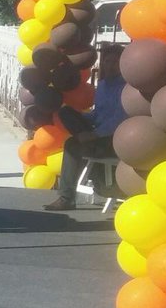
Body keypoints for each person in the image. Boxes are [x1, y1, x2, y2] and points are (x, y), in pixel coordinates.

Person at [44, 45, 127, 211]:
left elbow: (119, 119)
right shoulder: (103, 85)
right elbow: (98, 115)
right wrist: (82, 117)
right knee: (66, 111)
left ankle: (66, 198)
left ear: (122, 64)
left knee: (72, 145)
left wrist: (94, 135)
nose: (109, 65)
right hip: (95, 132)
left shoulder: (126, 87)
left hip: (112, 139)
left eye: (114, 62)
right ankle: (83, 137)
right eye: (107, 61)